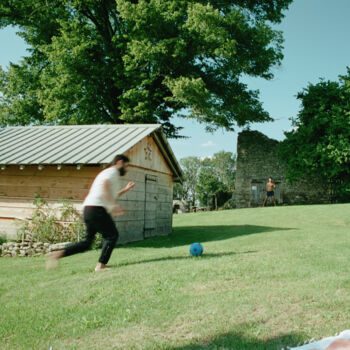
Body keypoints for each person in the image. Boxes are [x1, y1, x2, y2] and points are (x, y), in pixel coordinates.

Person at [46, 154, 135, 271]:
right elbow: (105, 186)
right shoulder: (112, 172)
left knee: (87, 243)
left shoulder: (107, 173)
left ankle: (57, 254)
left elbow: (111, 193)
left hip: (89, 208)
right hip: (97, 208)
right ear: (119, 162)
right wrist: (113, 205)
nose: (126, 169)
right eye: (126, 165)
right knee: (112, 235)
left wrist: (126, 189)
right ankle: (101, 265)